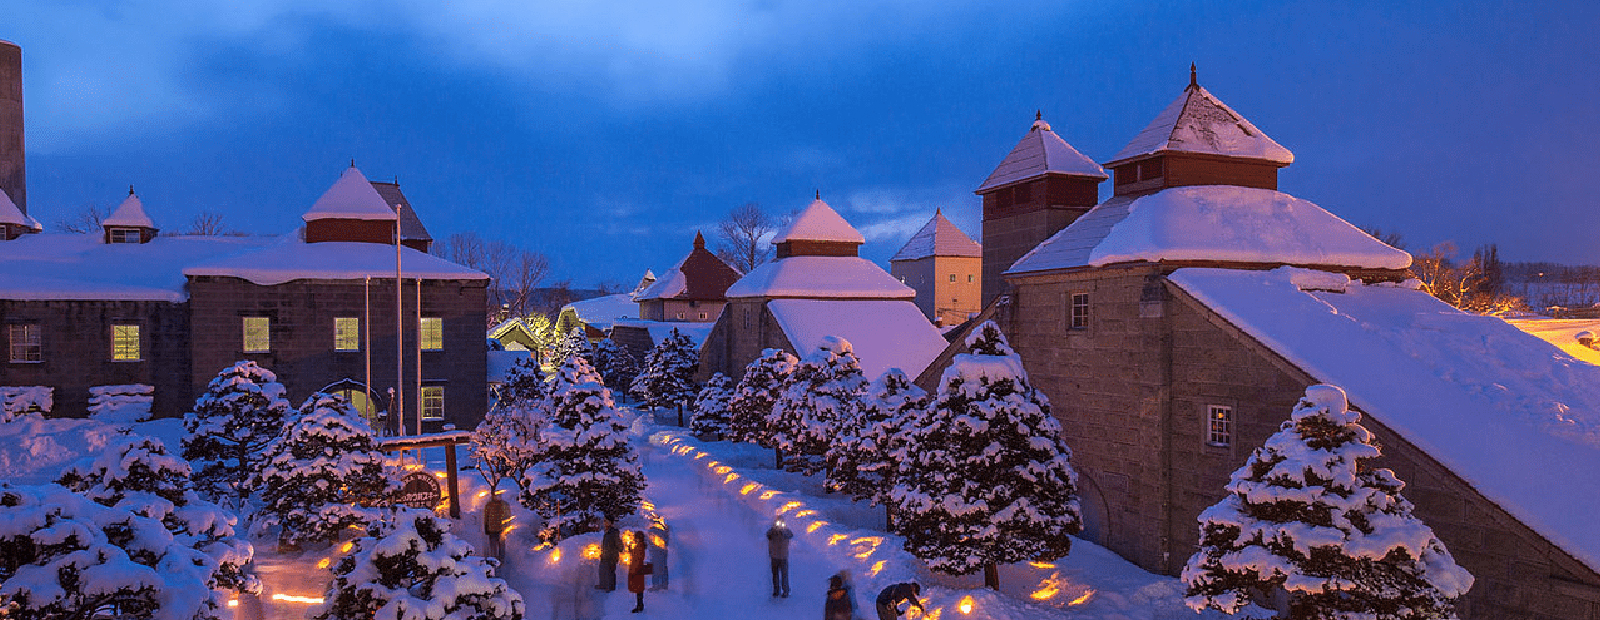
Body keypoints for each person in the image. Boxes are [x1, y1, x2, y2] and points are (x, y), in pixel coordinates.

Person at [766, 518, 793, 598]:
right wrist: (774, 529)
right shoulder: (772, 533)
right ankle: (776, 591)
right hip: (774, 557)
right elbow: (768, 535)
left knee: (784, 575)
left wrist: (783, 531)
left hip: (783, 557)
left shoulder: (786, 532)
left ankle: (785, 591)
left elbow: (790, 535)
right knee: (775, 575)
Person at [626, 530, 650, 613]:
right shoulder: (640, 546)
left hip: (637, 570)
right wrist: (630, 550)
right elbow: (635, 555)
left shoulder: (640, 546)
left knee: (639, 589)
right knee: (639, 589)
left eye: (635, 537)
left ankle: (640, 606)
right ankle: (640, 605)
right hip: (638, 570)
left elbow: (636, 559)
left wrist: (633, 572)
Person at [482, 493, 510, 560]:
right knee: (497, 546)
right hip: (494, 529)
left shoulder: (503, 504)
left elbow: (508, 517)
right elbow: (486, 516)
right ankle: (496, 560)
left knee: (498, 546)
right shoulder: (491, 505)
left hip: (498, 529)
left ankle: (497, 560)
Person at [597, 517, 621, 592]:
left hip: (611, 556)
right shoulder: (606, 532)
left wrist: (614, 552)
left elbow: (620, 546)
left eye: (606, 521)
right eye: (604, 521)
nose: (604, 523)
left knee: (610, 572)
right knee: (602, 570)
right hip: (605, 555)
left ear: (610, 522)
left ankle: (610, 587)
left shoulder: (614, 532)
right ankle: (603, 585)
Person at [647, 520, 670, 591]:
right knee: (663, 569)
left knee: (656, 570)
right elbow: (666, 541)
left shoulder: (651, 532)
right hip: (663, 554)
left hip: (656, 554)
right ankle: (664, 585)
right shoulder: (663, 533)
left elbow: (650, 543)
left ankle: (656, 585)